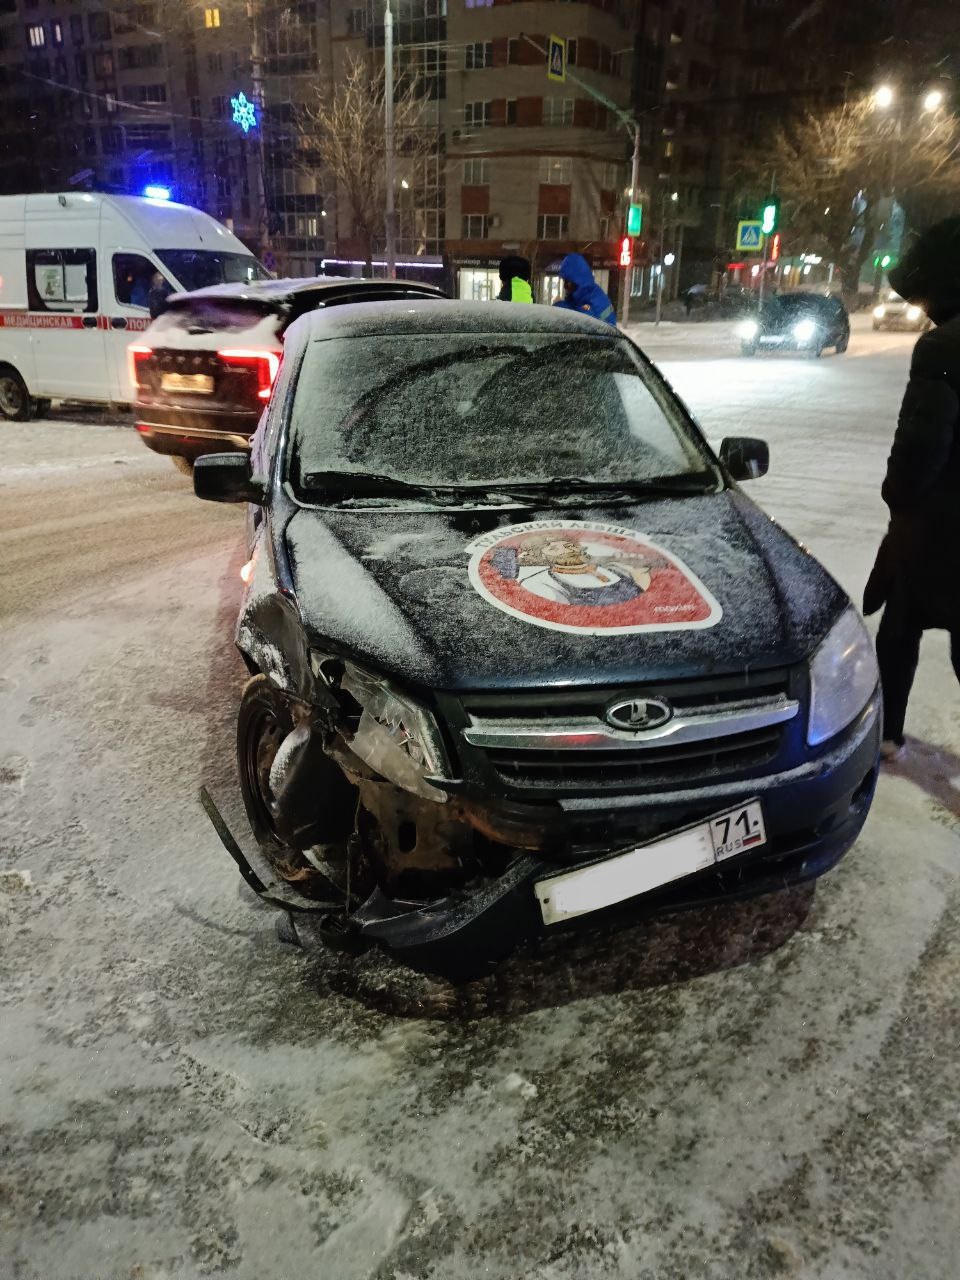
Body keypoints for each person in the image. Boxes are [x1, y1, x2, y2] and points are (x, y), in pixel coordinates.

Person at [862, 217, 960, 761]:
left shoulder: (943, 349)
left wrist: (898, 497)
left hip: (938, 529)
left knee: (900, 627)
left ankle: (888, 734)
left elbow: (922, 447)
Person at [552, 253, 616, 325]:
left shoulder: (599, 300)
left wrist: (560, 306)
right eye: (564, 281)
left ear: (577, 280)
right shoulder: (577, 298)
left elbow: (587, 323)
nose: (565, 286)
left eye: (568, 282)